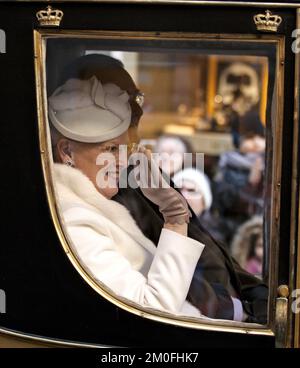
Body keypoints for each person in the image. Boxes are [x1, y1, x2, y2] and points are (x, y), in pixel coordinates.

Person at [52, 54, 268, 323]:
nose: (135, 109)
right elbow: (158, 301)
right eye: (109, 148)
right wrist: (240, 314)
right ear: (67, 150)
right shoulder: (97, 200)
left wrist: (253, 293)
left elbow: (203, 242)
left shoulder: (130, 173)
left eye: (136, 98)